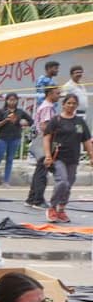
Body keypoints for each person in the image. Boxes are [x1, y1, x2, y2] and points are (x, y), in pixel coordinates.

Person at [44, 93, 93, 223]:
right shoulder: (56, 120)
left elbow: (87, 140)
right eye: (68, 103)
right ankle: (52, 207)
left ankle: (61, 210)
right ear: (63, 104)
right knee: (62, 182)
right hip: (58, 157)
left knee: (68, 185)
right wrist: (48, 155)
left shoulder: (80, 122)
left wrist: (91, 156)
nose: (71, 106)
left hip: (73, 158)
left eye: (74, 103)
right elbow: (47, 137)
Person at [25, 86, 61, 210]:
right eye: (57, 93)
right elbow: (45, 126)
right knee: (42, 171)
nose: (59, 96)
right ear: (50, 94)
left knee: (39, 171)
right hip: (44, 141)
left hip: (42, 139)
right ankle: (38, 200)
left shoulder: (46, 106)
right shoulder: (48, 108)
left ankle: (31, 198)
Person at [0, 93, 33, 187]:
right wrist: (6, 120)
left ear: (17, 101)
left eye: (14, 100)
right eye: (10, 100)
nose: (12, 102)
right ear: (6, 101)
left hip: (15, 137)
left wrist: (23, 123)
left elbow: (31, 121)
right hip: (3, 138)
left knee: (10, 159)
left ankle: (6, 181)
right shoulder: (2, 111)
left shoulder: (20, 112)